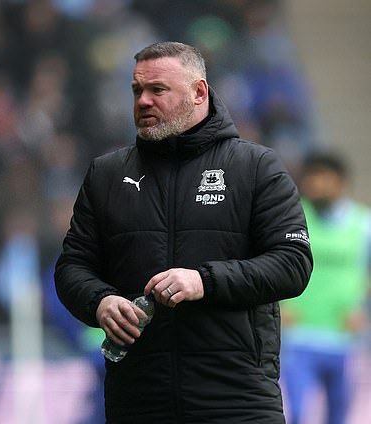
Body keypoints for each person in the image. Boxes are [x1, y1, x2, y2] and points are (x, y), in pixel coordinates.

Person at [54, 41, 313, 423]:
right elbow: (71, 267)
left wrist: (204, 281)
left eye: (157, 90)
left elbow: (293, 264)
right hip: (139, 400)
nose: (143, 101)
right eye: (137, 91)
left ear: (198, 92)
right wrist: (100, 302)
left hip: (236, 400)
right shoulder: (106, 174)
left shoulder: (256, 167)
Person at [281, 153, 370, 424]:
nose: (315, 184)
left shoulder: (364, 225)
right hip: (297, 335)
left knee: (338, 415)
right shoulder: (292, 217)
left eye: (323, 177)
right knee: (297, 413)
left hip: (344, 339)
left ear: (341, 182)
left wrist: (363, 310)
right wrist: (279, 305)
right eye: (311, 178)